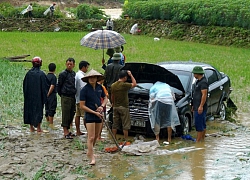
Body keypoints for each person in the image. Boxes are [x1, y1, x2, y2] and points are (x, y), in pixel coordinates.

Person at [80, 69, 108, 165]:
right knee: (91, 137)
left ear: (97, 78)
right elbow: (82, 106)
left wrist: (102, 106)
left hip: (99, 114)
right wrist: (94, 112)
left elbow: (105, 98)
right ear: (88, 79)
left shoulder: (100, 88)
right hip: (90, 115)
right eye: (90, 77)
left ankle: (90, 151)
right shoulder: (84, 90)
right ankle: (92, 158)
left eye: (94, 77)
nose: (92, 79)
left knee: (96, 136)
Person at [23, 56, 49, 133]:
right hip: (38, 97)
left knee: (29, 110)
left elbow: (25, 86)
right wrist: (45, 97)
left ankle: (31, 127)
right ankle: (38, 127)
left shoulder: (28, 74)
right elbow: (45, 86)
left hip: (29, 97)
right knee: (38, 111)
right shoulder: (41, 74)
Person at [111, 70, 137, 140]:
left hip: (115, 107)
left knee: (115, 124)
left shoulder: (113, 85)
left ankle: (114, 138)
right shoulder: (124, 85)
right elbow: (134, 84)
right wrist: (131, 75)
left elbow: (112, 96)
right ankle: (125, 140)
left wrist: (113, 103)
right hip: (124, 107)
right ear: (125, 77)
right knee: (125, 125)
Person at [57, 58, 76, 139]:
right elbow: (59, 85)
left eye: (71, 64)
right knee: (65, 113)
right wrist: (62, 94)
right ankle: (65, 131)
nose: (69, 66)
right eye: (68, 64)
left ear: (73, 65)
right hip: (65, 96)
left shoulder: (74, 74)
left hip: (72, 96)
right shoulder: (63, 74)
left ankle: (68, 130)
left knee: (72, 112)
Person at [192, 66, 208, 142]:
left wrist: (201, 106)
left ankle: (198, 142)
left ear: (198, 74)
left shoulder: (203, 82)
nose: (193, 74)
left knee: (199, 124)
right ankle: (202, 140)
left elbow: (204, 95)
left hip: (200, 107)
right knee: (202, 123)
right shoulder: (198, 82)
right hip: (196, 106)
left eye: (194, 73)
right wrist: (193, 105)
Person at [75, 60, 90, 136]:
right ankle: (89, 131)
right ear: (83, 67)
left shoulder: (77, 74)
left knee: (78, 115)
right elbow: (83, 88)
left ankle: (78, 131)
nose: (87, 69)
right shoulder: (82, 76)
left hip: (77, 98)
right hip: (82, 100)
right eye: (87, 67)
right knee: (85, 116)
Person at [45, 63, 57, 130]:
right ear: (55, 69)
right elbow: (52, 86)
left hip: (46, 95)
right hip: (51, 95)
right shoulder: (53, 77)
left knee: (47, 109)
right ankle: (51, 124)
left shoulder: (46, 76)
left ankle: (47, 122)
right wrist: (49, 93)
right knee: (51, 109)